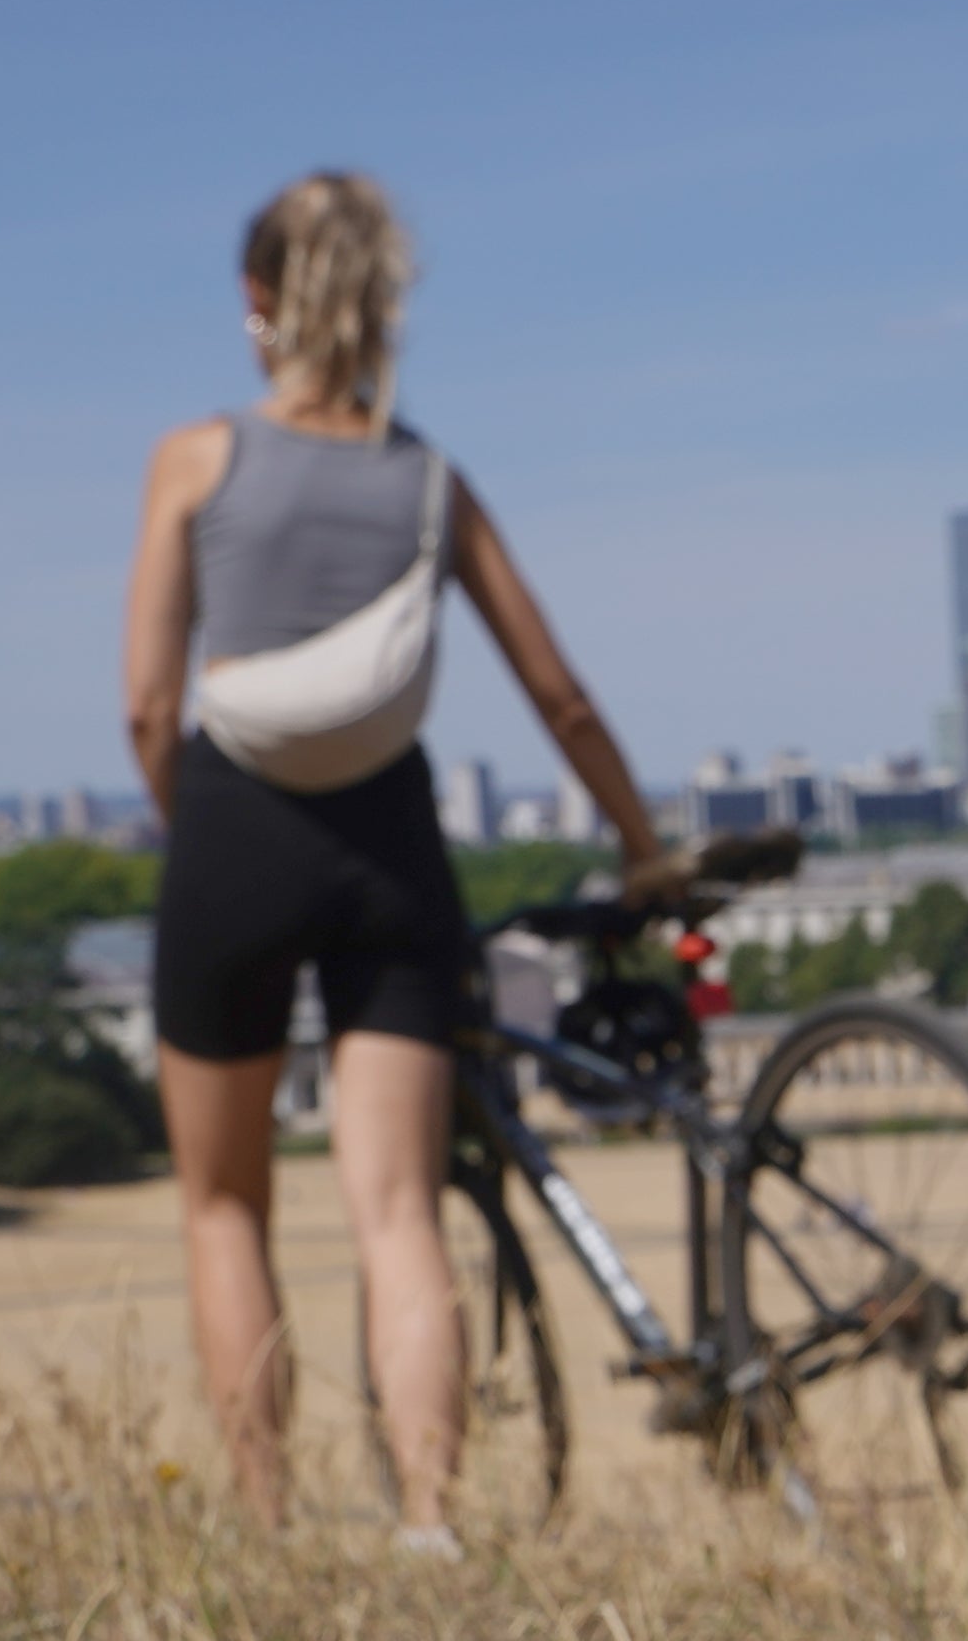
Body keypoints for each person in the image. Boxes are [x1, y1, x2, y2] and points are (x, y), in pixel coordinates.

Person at [123, 171, 668, 1538]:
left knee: (225, 1207)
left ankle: (269, 1522)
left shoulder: (194, 461)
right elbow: (563, 695)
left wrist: (206, 835)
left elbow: (145, 700)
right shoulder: (429, 482)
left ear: (254, 302)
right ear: (384, 308)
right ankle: (430, 1520)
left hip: (237, 829)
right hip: (390, 843)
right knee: (399, 1212)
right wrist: (645, 845)